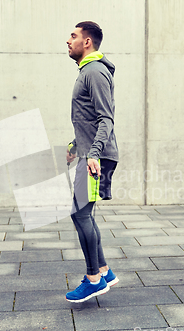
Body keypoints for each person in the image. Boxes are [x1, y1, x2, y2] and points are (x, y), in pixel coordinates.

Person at [65, 21, 119, 303]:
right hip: (90, 154)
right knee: (84, 213)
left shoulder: (95, 72)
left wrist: (94, 152)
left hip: (95, 157)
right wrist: (77, 144)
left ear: (87, 42)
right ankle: (105, 271)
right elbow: (88, 117)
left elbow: (105, 118)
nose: (68, 40)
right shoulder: (88, 71)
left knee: (80, 214)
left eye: (73, 36)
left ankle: (93, 279)